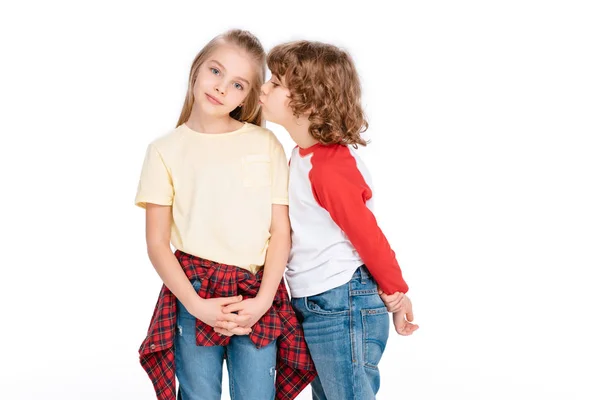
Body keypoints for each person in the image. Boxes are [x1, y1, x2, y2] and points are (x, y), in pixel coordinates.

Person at [135, 30, 315, 400]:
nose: (220, 88)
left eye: (236, 84)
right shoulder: (164, 150)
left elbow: (280, 231)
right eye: (215, 72)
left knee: (256, 394)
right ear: (197, 69)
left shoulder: (265, 143)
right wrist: (195, 304)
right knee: (197, 395)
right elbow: (156, 243)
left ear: (247, 96)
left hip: (255, 294)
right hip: (194, 292)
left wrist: (264, 300)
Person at [258, 40, 419, 399]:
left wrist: (396, 292)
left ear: (309, 102)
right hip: (321, 301)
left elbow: (366, 234)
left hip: (343, 300)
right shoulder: (301, 156)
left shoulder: (330, 167)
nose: (264, 88)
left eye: (276, 82)